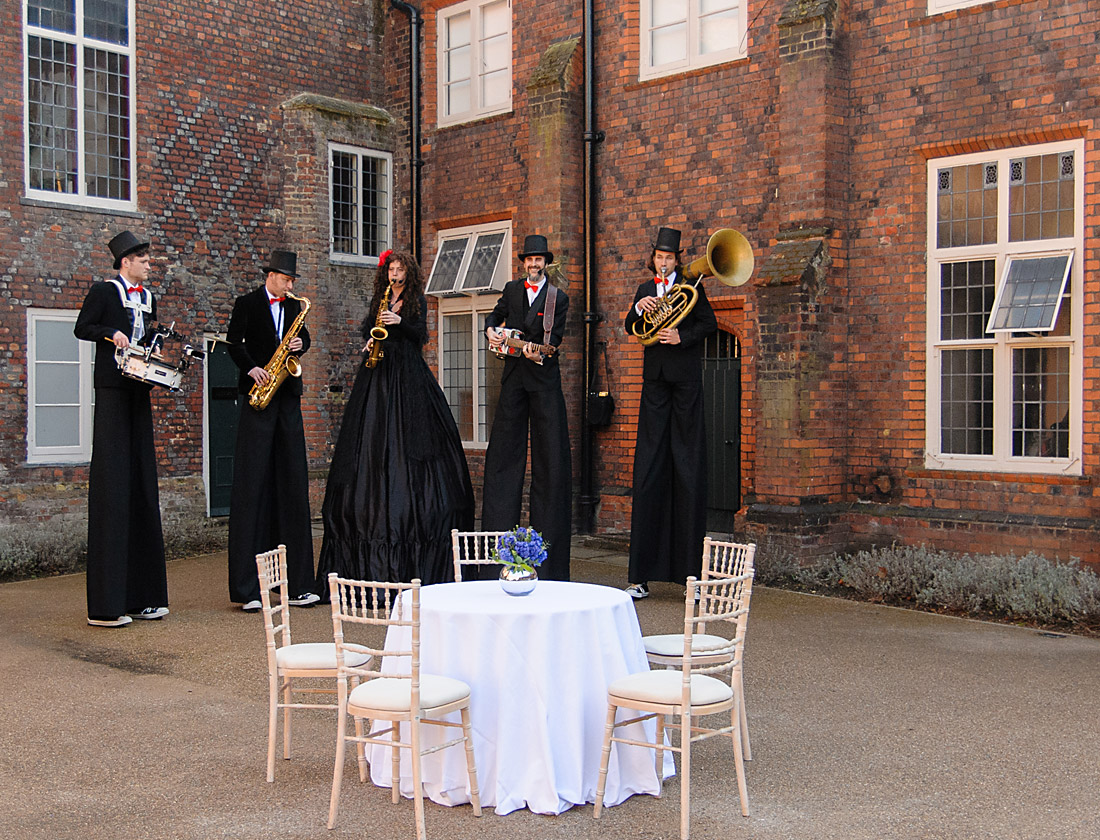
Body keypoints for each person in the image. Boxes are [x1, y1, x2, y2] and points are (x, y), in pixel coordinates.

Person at [315, 250, 474, 590]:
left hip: (408, 376)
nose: (395, 274)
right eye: (391, 269)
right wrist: (373, 336)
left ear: (409, 273)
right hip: (379, 372)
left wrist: (400, 322)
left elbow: (421, 336)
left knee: (412, 445)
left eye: (400, 269)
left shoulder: (415, 299)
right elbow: (366, 327)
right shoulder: (381, 297)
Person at [74, 230, 170, 627]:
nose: (149, 266)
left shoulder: (147, 299)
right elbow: (83, 327)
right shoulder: (105, 291)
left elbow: (145, 335)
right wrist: (108, 333)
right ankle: (106, 605)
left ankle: (143, 597)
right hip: (113, 390)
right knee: (114, 486)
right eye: (144, 260)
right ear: (125, 262)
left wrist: (154, 345)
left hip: (138, 388)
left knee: (142, 485)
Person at [622, 226, 717, 599]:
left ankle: (691, 579)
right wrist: (636, 310)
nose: (663, 263)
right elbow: (633, 328)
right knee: (648, 470)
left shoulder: (693, 289)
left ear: (677, 260)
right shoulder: (646, 291)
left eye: (669, 258)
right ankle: (640, 577)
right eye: (659, 258)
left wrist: (682, 337)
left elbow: (707, 325)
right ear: (654, 260)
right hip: (655, 384)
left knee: (688, 469)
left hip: (686, 383)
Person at [226, 249, 318, 611]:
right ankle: (247, 588)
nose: (290, 284)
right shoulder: (246, 303)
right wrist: (252, 369)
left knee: (293, 484)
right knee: (252, 486)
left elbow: (305, 340)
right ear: (271, 276)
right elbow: (233, 344)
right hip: (258, 397)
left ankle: (297, 585)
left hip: (287, 398)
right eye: (286, 278)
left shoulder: (295, 307)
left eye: (293, 279)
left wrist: (301, 344)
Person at [482, 234, 572, 580]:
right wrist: (492, 332)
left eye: (539, 261)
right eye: (529, 261)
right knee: (503, 458)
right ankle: (495, 558)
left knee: (550, 462)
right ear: (524, 264)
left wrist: (535, 350)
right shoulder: (511, 289)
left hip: (545, 384)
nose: (533, 266)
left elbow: (554, 342)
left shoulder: (557, 299)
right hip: (513, 382)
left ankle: (550, 566)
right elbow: (495, 317)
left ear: (546, 264)